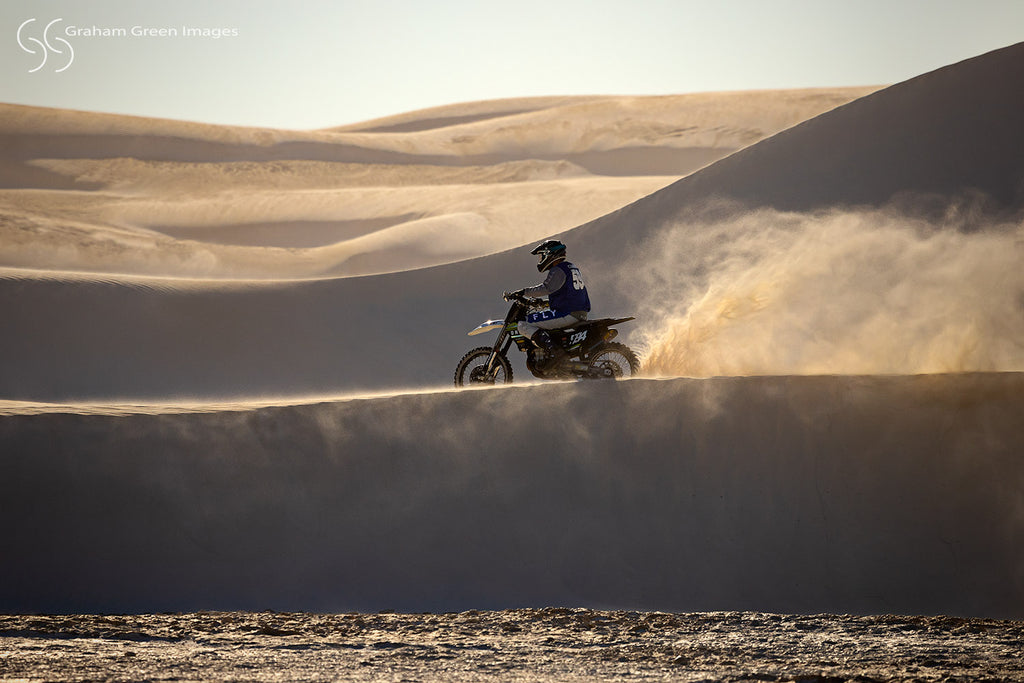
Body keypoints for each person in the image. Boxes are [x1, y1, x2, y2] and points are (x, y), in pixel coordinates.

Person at [504, 240, 591, 367]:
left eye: (541, 256)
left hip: (568, 313)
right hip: (577, 311)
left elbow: (546, 288)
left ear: (549, 254)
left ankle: (556, 352)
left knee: (523, 324)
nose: (540, 260)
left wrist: (523, 292)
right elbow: (566, 293)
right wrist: (543, 303)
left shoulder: (558, 269)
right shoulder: (570, 267)